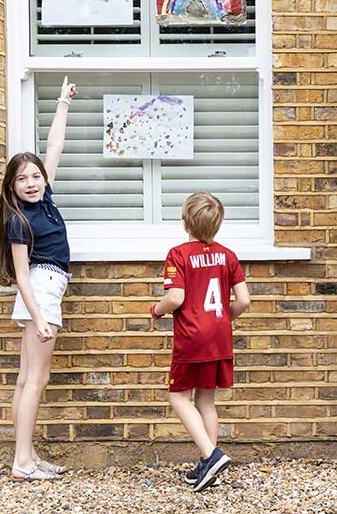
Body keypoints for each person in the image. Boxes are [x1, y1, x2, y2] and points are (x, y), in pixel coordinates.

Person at [0, 76, 77, 481]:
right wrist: (38, 317)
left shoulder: (46, 198)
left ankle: (27, 455)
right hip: (41, 289)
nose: (32, 183)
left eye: (35, 176)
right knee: (36, 379)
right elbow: (21, 273)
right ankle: (22, 461)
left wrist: (62, 103)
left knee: (28, 379)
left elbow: (53, 147)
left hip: (46, 287)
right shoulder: (18, 219)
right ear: (12, 186)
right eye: (22, 179)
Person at [149, 191, 251, 492]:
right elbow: (244, 300)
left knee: (178, 397)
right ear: (217, 225)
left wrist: (156, 310)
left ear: (185, 223)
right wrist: (221, 322)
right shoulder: (228, 255)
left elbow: (176, 297)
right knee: (206, 399)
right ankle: (208, 468)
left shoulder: (178, 255)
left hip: (192, 338)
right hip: (220, 337)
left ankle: (211, 454)